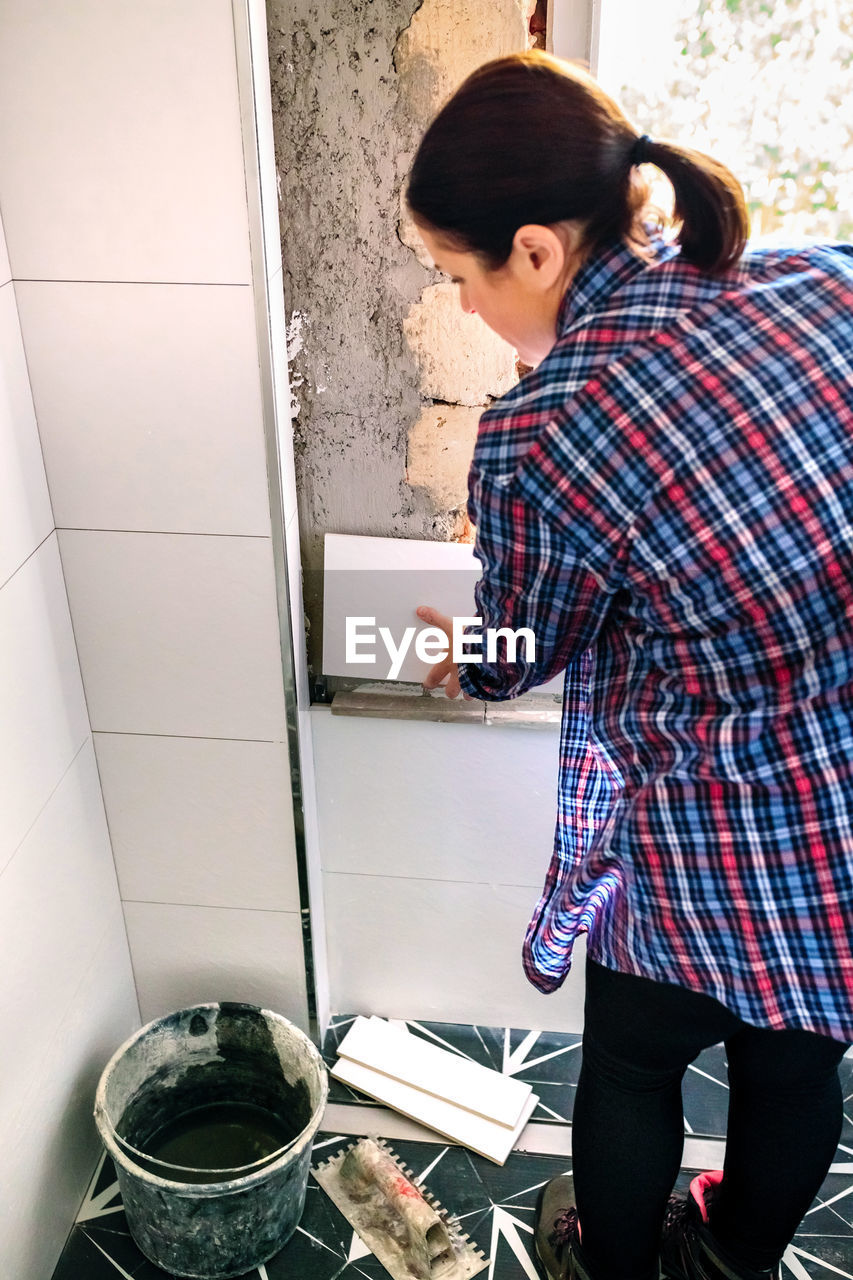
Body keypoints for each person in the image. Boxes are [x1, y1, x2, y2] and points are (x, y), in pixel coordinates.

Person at [405, 49, 853, 1280]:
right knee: (797, 1063)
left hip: (701, 837)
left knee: (631, 1065)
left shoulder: (544, 430)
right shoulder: (819, 282)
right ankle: (732, 1260)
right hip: (844, 819)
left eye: (457, 275)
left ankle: (609, 1266)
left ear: (537, 251)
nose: (461, 306)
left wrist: (459, 648)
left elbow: (518, 655)